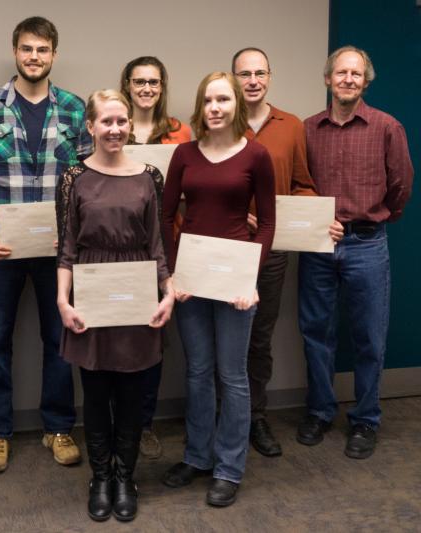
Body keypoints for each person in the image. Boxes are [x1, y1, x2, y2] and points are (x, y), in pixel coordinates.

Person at [0, 16, 91, 472]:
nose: (34, 57)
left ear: (54, 54)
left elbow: (89, 181)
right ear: (15, 51)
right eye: (26, 49)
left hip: (60, 249)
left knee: (59, 338)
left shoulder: (75, 109)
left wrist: (73, 228)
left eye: (42, 49)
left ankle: (57, 427)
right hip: (4, 249)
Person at [56, 90, 175, 522]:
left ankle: (126, 478)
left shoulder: (149, 177)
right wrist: (62, 300)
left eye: (121, 121)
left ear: (130, 125)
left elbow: (158, 244)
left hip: (135, 290)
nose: (115, 129)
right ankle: (100, 477)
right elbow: (67, 247)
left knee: (131, 393)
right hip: (90, 290)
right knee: (96, 391)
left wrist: (166, 293)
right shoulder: (73, 177)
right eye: (106, 121)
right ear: (90, 126)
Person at [160, 72, 276, 507]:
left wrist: (250, 278)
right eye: (208, 99)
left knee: (233, 376)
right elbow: (165, 215)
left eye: (223, 99)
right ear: (200, 105)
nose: (215, 107)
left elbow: (266, 223)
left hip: (234, 282)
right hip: (191, 277)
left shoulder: (257, 156)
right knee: (197, 371)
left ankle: (229, 467)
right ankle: (198, 456)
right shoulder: (185, 154)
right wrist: (173, 274)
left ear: (235, 105)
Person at [298, 46, 413, 459]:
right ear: (327, 79)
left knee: (368, 337)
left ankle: (366, 419)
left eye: (356, 74)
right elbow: (299, 186)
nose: (348, 79)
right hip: (318, 247)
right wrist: (314, 223)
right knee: (316, 334)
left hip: (367, 244)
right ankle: (320, 410)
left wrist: (374, 219)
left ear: (366, 81)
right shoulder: (308, 130)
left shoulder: (387, 128)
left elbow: (401, 185)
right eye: (341, 73)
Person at [231, 47, 344, 457]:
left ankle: (255, 416)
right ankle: (224, 418)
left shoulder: (291, 126)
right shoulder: (220, 118)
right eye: (244, 74)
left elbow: (303, 184)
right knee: (221, 336)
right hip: (224, 248)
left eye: (260, 73)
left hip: (271, 250)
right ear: (233, 79)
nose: (253, 81)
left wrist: (312, 217)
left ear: (270, 77)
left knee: (259, 337)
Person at [119, 55, 190, 460]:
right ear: (127, 85)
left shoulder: (179, 133)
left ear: (162, 87)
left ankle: (144, 425)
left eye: (154, 82)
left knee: (153, 339)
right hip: (117, 249)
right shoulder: (114, 123)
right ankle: (115, 423)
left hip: (164, 245)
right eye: (139, 81)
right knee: (113, 335)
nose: (146, 88)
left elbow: (193, 185)